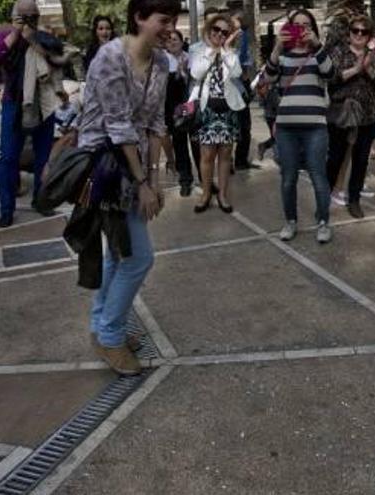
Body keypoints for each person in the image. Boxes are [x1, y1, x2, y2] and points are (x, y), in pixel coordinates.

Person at [79, 0, 178, 375]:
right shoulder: (109, 57)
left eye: (174, 20)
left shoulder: (163, 63)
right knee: (139, 258)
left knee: (119, 254)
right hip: (103, 166)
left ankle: (101, 327)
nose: (170, 28)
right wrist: (141, 183)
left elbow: (155, 122)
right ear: (139, 17)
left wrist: (153, 178)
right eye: (163, 20)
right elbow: (118, 126)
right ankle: (110, 337)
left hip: (133, 163)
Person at [0, 0, 69, 227]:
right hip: (15, 103)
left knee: (44, 156)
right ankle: (6, 209)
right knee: (9, 158)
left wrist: (32, 38)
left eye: (31, 16)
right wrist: (16, 31)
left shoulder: (44, 37)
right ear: (14, 17)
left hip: (43, 102)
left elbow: (57, 57)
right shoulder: (5, 35)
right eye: (22, 16)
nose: (28, 20)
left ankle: (41, 200)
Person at [265, 8, 334, 244]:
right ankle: (290, 221)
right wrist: (276, 47)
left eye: (307, 25)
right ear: (289, 28)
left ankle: (323, 222)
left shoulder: (319, 54)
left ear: (313, 29)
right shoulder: (283, 56)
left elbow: (331, 73)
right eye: (297, 25)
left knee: (318, 176)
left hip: (315, 127)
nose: (302, 29)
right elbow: (269, 77)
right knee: (288, 177)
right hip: (286, 128)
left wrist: (317, 45)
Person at [326, 14, 375, 219]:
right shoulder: (338, 52)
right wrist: (356, 69)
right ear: (349, 32)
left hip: (367, 116)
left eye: (364, 32)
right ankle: (325, 195)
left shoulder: (374, 55)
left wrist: (368, 68)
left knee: (361, 161)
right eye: (355, 30)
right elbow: (331, 78)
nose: (359, 35)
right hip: (342, 114)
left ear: (369, 35)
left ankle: (354, 200)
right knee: (335, 158)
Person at [189, 13, 244, 214]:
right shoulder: (198, 50)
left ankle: (222, 194)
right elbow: (196, 73)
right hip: (207, 109)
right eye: (216, 29)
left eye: (224, 31)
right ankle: (205, 194)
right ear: (209, 29)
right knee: (207, 155)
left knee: (226, 154)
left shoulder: (231, 52)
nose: (220, 34)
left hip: (228, 109)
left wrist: (226, 49)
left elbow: (237, 73)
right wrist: (212, 51)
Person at [163, 29, 195, 195]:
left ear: (182, 42)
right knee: (180, 144)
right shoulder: (164, 60)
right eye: (169, 40)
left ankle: (206, 179)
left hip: (190, 104)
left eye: (175, 39)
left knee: (196, 143)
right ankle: (185, 180)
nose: (172, 42)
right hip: (174, 109)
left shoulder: (190, 58)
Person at [230, 11, 257, 171]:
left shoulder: (241, 37)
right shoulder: (241, 38)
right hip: (238, 84)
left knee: (242, 125)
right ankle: (238, 160)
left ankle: (238, 160)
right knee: (242, 125)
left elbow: (244, 62)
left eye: (234, 21)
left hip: (239, 84)